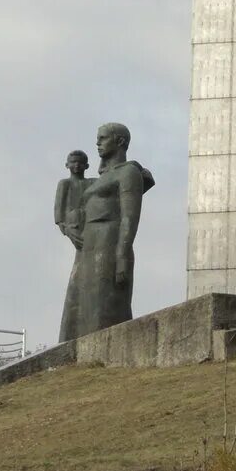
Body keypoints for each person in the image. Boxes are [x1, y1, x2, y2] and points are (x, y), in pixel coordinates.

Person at [59, 123, 154, 341]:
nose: (97, 143)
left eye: (102, 138)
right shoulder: (102, 177)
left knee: (101, 306)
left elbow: (130, 217)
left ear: (120, 141)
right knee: (79, 305)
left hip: (108, 242)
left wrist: (121, 256)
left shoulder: (128, 172)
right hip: (88, 246)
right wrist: (68, 228)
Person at [54, 150, 92, 342]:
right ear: (67, 165)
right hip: (74, 226)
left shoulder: (91, 183)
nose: (76, 165)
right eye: (73, 162)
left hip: (90, 225)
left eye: (80, 162)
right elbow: (59, 215)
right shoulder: (65, 184)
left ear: (87, 166)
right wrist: (68, 230)